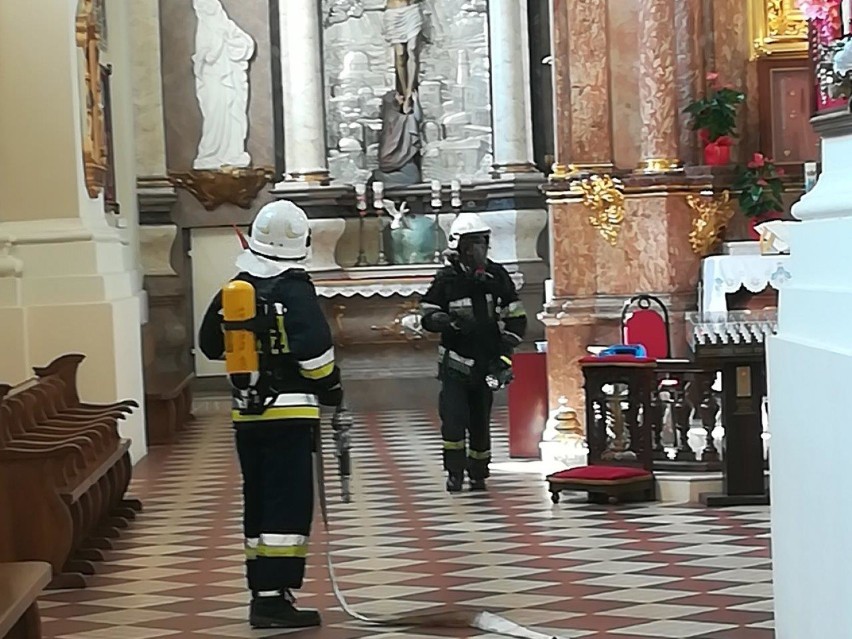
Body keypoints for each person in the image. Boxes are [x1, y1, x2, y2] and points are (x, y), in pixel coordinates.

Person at [198, 200, 342, 629]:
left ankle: (263, 591)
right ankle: (273, 602)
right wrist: (331, 387)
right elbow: (316, 355)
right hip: (290, 414)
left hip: (247, 415)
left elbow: (209, 343)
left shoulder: (237, 285)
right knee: (289, 505)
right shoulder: (296, 287)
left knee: (259, 502)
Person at [419, 213, 528, 492]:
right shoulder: (447, 279)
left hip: (487, 362)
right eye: (472, 245)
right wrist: (448, 321)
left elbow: (516, 316)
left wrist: (504, 352)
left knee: (480, 421)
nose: (478, 251)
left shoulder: (497, 277)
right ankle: (454, 472)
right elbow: (428, 313)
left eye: (483, 244)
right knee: (453, 421)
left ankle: (479, 472)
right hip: (455, 363)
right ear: (459, 247)